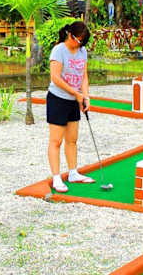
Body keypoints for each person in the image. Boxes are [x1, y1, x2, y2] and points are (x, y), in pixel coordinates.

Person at [46, 21, 93, 192]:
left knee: (72, 140)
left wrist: (85, 96)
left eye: (83, 42)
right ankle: (56, 178)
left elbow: (84, 76)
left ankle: (73, 173)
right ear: (70, 35)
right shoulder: (58, 50)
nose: (80, 44)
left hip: (74, 99)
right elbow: (55, 78)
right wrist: (76, 93)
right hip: (58, 99)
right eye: (79, 40)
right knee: (56, 141)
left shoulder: (82, 51)